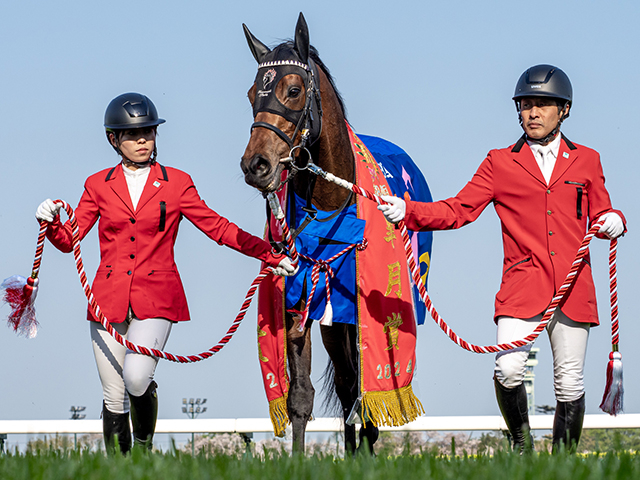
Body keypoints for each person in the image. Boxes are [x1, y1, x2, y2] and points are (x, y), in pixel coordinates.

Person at [378, 65, 626, 453]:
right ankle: (522, 444)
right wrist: (407, 210)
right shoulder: (499, 162)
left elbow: (603, 210)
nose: (532, 112)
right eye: (526, 104)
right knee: (507, 370)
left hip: (575, 288)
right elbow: (458, 209)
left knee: (570, 382)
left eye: (542, 105)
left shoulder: (588, 160)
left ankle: (563, 463)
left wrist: (615, 219)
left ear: (563, 110)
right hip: (522, 285)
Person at [35, 92, 297, 454]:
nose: (143, 139)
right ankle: (118, 470)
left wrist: (267, 253)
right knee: (113, 397)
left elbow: (217, 227)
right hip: (106, 301)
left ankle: (142, 449)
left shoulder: (177, 182)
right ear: (114, 139)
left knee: (137, 377)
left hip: (156, 298)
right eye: (133, 134)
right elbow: (70, 239)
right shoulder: (96, 185)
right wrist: (49, 223)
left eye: (148, 131)